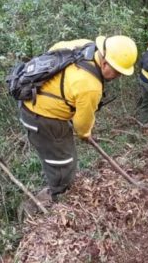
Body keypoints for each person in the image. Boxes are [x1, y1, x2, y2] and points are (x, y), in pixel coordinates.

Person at [19, 35, 138, 202]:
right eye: (117, 72)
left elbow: (55, 49)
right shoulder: (90, 86)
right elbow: (81, 125)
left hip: (30, 101)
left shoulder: (83, 46)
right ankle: (57, 196)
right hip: (44, 118)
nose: (118, 76)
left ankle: (56, 186)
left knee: (59, 155)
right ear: (105, 63)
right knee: (63, 160)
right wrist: (85, 134)